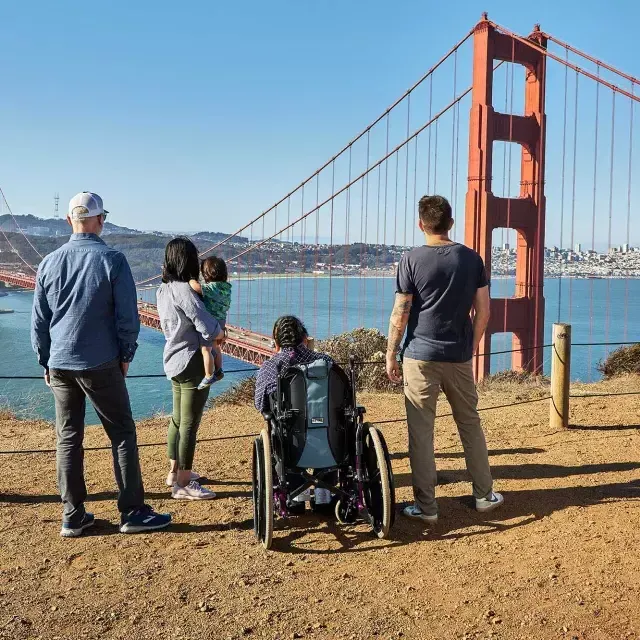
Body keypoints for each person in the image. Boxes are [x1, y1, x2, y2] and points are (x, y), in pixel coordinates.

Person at [31, 191, 171, 537]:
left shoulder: (48, 263)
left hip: (60, 363)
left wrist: (45, 361)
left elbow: (39, 321)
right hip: (101, 361)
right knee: (122, 433)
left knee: (68, 438)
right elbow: (128, 316)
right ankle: (133, 511)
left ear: (68, 221)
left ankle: (73, 515)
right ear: (100, 220)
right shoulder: (113, 260)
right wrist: (126, 355)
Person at [386, 194, 503, 524]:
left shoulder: (410, 260)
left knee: (421, 433)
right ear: (450, 223)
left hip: (419, 357)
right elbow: (485, 312)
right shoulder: (471, 259)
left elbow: (401, 314)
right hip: (458, 356)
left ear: (421, 224)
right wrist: (472, 346)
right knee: (470, 423)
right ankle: (483, 495)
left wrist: (391, 353)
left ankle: (427, 508)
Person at [157, 237, 224, 500]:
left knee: (177, 419)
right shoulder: (185, 290)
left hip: (173, 360)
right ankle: (183, 484)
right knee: (189, 424)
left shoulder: (162, 289)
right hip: (192, 360)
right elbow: (205, 323)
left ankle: (174, 472)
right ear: (189, 260)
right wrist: (222, 332)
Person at [254, 315, 333, 506]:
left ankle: (297, 496)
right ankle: (326, 494)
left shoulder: (271, 367)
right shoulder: (326, 362)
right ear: (304, 338)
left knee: (284, 429)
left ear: (276, 342)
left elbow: (260, 403)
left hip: (292, 443)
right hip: (330, 441)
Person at [188, 256, 232, 390]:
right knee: (216, 347)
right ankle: (219, 370)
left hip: (211, 321)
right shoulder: (227, 287)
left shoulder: (211, 288)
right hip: (222, 320)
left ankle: (209, 375)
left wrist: (190, 279)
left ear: (207, 274)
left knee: (206, 349)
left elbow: (195, 287)